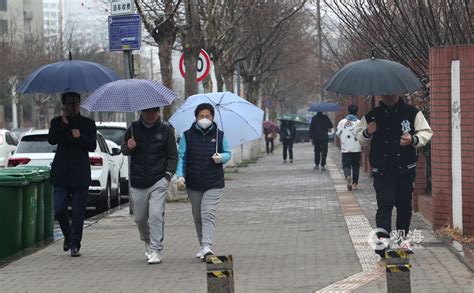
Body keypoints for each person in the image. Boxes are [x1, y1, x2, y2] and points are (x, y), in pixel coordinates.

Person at [357, 95, 432, 257]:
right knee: (384, 207)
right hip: (382, 171)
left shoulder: (412, 113)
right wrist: (367, 132)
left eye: (392, 91)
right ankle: (383, 243)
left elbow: (426, 132)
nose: (389, 94)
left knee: (405, 207)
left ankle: (402, 241)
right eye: (386, 91)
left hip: (405, 170)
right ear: (381, 94)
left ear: (398, 92)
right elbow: (361, 140)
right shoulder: (372, 115)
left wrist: (413, 139)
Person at [121, 107, 177, 264]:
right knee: (139, 218)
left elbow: (172, 155)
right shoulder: (133, 128)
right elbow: (124, 149)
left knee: (156, 215)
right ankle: (147, 240)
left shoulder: (166, 129)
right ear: (142, 113)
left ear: (158, 112)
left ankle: (156, 249)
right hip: (138, 181)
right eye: (148, 112)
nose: (152, 115)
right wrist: (128, 146)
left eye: (155, 112)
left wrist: (168, 176)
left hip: (158, 179)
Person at [175, 103, 232, 261]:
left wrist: (221, 157)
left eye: (208, 116)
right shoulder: (187, 135)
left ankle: (207, 246)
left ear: (213, 117)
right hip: (193, 182)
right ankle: (202, 245)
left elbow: (228, 153)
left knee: (208, 213)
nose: (205, 119)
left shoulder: (219, 135)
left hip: (214, 181)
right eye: (201, 116)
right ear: (196, 117)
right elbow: (182, 156)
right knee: (197, 215)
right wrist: (180, 175)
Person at [48, 92, 97, 257]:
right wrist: (63, 124)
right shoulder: (57, 122)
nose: (72, 107)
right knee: (59, 208)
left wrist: (80, 136)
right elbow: (52, 140)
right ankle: (68, 236)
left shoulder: (87, 123)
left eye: (75, 104)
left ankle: (75, 244)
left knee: (78, 212)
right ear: (63, 106)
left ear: (79, 104)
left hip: (80, 173)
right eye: (69, 104)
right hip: (61, 172)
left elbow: (92, 146)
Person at [336, 104, 362, 190]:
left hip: (345, 148)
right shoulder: (359, 122)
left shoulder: (342, 122)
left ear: (348, 111)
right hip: (356, 148)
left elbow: (338, 133)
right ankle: (355, 184)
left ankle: (347, 176)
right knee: (356, 166)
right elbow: (362, 135)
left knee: (346, 165)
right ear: (356, 111)